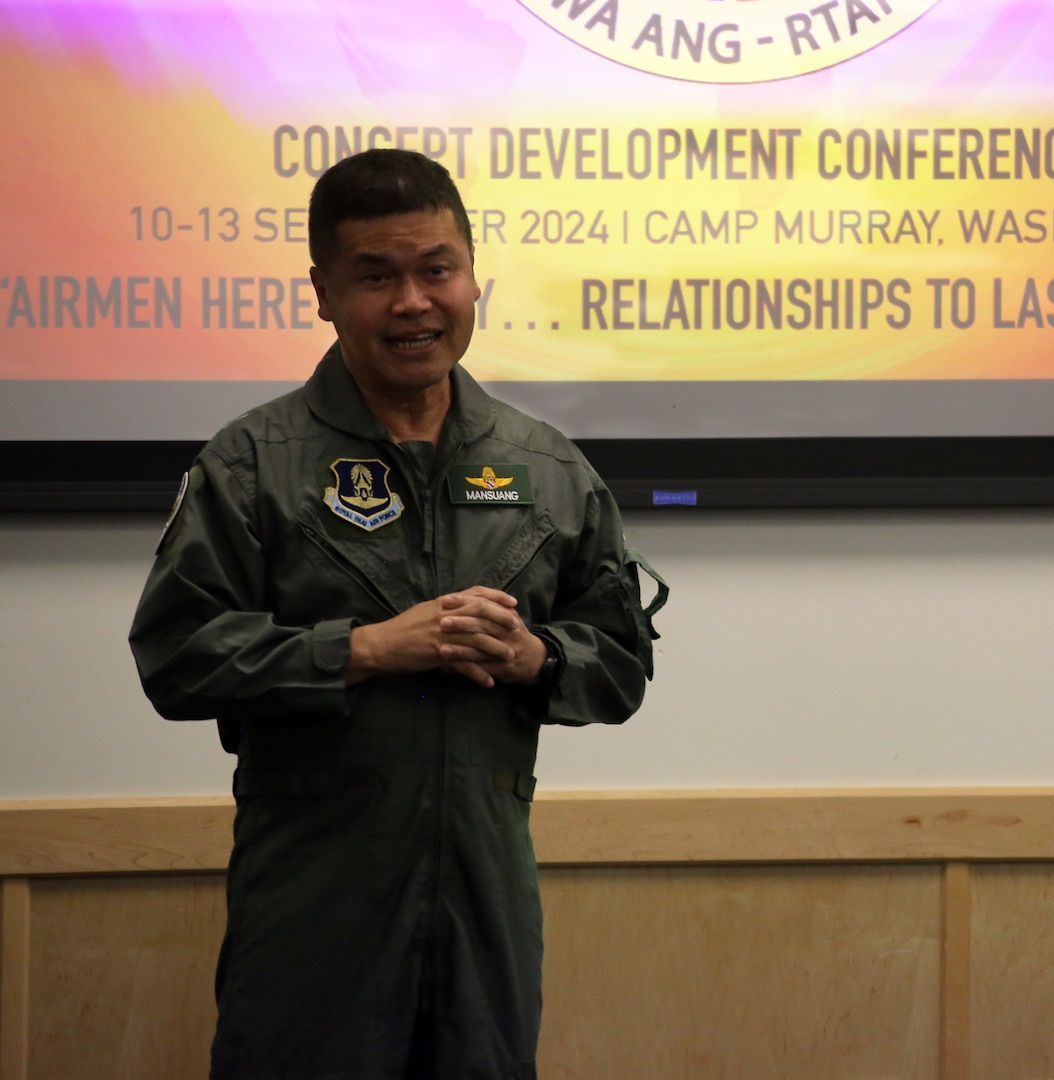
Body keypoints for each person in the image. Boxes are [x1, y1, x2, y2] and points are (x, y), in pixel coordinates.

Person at [129, 148, 666, 1080]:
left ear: (472, 278)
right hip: (312, 911)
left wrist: (536, 658)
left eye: (436, 270)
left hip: (484, 905)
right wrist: (365, 649)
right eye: (375, 277)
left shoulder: (547, 468)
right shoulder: (255, 463)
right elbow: (176, 655)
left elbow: (618, 661)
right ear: (324, 293)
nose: (413, 302)